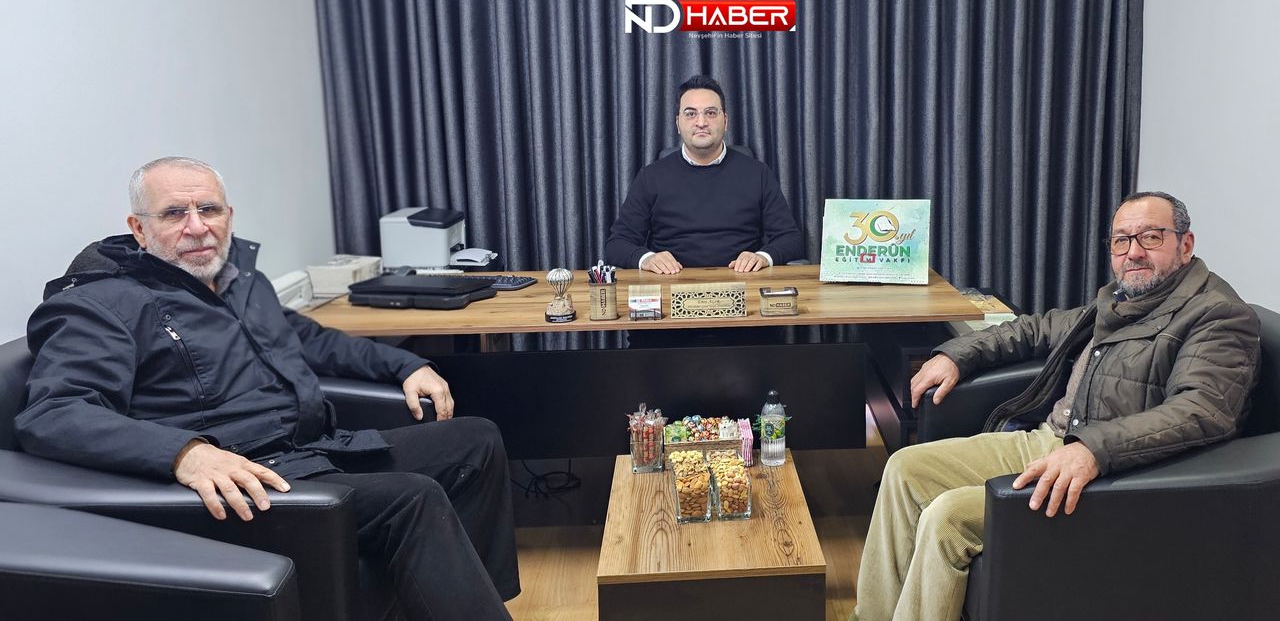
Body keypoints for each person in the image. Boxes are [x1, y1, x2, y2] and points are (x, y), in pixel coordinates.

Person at [16, 157, 520, 621]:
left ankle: (465, 602)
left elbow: (307, 338)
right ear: (139, 228)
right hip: (243, 482)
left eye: (208, 209)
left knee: (475, 439)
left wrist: (406, 365)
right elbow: (54, 412)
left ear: (229, 215)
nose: (197, 226)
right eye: (173, 213)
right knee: (411, 497)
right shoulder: (100, 305)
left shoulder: (237, 279)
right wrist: (184, 453)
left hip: (310, 450)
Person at [854, 191, 1261, 621]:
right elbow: (1036, 328)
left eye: (1151, 237)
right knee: (905, 468)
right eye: (1121, 240)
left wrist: (1092, 450)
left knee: (948, 517)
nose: (1133, 252)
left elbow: (1201, 410)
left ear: (1185, 244)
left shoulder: (1218, 314)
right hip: (1053, 440)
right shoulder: (1120, 299)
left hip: (1116, 471)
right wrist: (957, 355)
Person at [604, 75, 804, 274]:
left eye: (710, 113)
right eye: (691, 114)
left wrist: (762, 257)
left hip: (742, 281)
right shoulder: (651, 177)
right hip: (672, 282)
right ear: (678, 124)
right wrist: (647, 259)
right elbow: (617, 244)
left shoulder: (758, 173)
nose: (701, 122)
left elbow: (791, 239)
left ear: (725, 121)